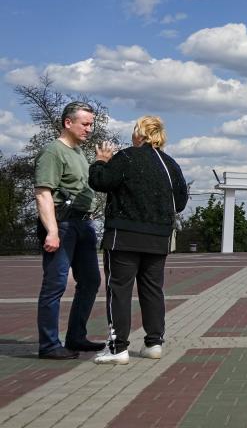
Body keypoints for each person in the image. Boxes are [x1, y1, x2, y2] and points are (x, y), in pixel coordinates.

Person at [88, 115, 189, 365]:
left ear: (139, 134)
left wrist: (100, 162)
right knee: (152, 289)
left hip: (124, 236)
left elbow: (100, 182)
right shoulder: (170, 164)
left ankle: (117, 347)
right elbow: (181, 201)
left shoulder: (126, 157)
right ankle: (154, 343)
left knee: (119, 290)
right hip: (159, 237)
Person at [34, 101, 105, 360]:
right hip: (62, 225)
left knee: (91, 280)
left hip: (83, 224)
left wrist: (100, 164)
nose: (90, 129)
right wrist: (51, 231)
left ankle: (76, 336)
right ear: (68, 122)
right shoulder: (53, 152)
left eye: (91, 124)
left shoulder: (77, 152)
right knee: (55, 284)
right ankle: (49, 345)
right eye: (85, 124)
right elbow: (43, 194)